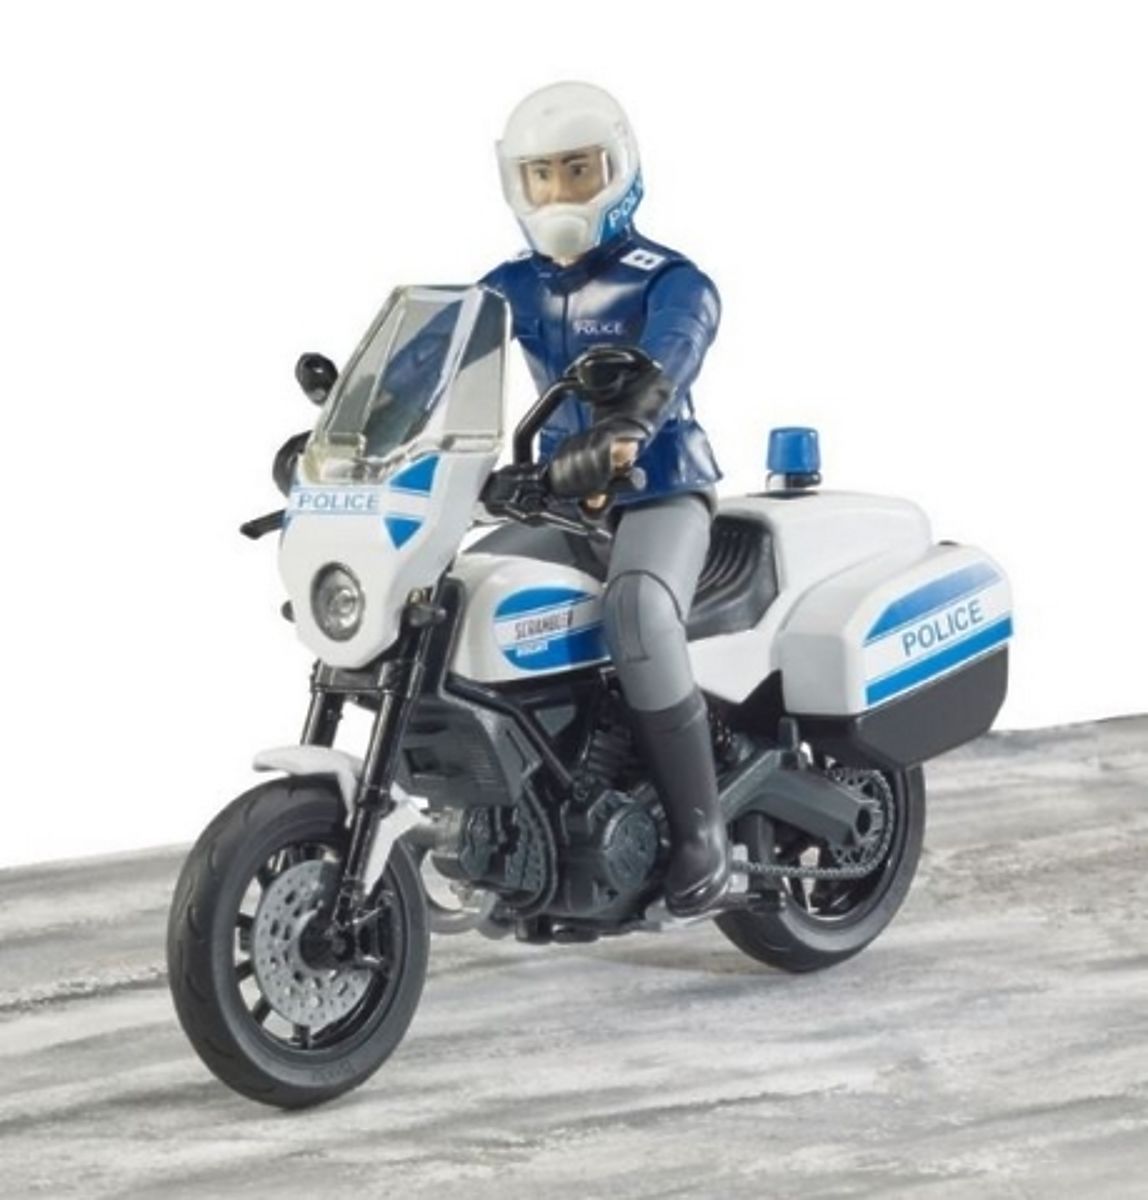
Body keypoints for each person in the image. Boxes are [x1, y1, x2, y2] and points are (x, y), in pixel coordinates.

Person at [476, 81, 730, 917]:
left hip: (659, 489)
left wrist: (625, 429)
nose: (560, 193)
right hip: (556, 498)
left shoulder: (670, 280)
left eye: (578, 170)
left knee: (639, 612)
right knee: (458, 599)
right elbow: (436, 366)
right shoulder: (507, 287)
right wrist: (357, 434)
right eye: (542, 175)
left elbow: (672, 355)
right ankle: (502, 815)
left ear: (617, 170)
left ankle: (702, 833)